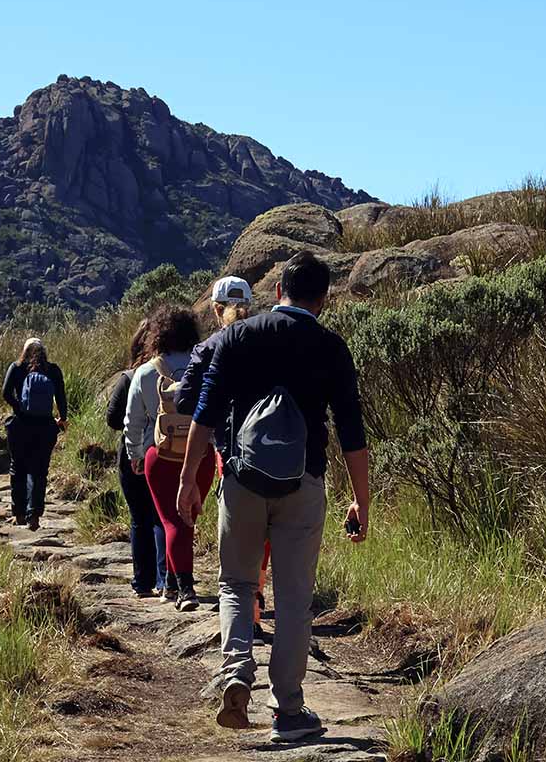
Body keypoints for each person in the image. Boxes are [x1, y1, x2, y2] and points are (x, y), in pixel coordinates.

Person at [176, 251, 370, 743]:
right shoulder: (331, 346)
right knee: (294, 599)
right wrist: (361, 500)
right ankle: (288, 712)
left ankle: (236, 672)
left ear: (279, 288)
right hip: (303, 484)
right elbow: (351, 431)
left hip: (242, 479)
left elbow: (205, 408)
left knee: (237, 584)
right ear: (323, 300)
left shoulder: (240, 334)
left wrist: (187, 479)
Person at [176, 276, 271, 632]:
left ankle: (244, 611)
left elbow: (186, 400)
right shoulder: (270, 340)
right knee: (266, 531)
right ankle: (258, 600)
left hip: (229, 448)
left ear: (217, 310)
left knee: (237, 530)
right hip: (275, 446)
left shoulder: (210, 347)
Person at [123, 305, 215, 612]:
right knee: (187, 519)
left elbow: (133, 421)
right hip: (200, 454)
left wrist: (135, 455)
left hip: (159, 456)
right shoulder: (205, 363)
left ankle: (183, 588)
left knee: (170, 520)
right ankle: (177, 583)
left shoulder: (147, 371)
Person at [105, 319, 168, 599]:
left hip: (133, 456)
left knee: (140, 518)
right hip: (167, 452)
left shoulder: (130, 377)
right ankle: (166, 579)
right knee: (163, 516)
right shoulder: (174, 372)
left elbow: (113, 419)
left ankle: (142, 582)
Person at [2, 337, 68, 530]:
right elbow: (61, 397)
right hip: (45, 427)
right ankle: (34, 516)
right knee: (39, 471)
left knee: (18, 468)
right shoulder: (53, 370)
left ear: (24, 351)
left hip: (20, 426)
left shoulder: (16, 367)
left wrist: (20, 407)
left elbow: (6, 393)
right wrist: (62, 419)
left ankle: (19, 513)